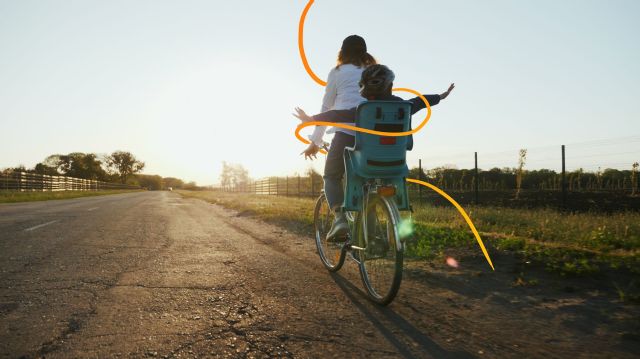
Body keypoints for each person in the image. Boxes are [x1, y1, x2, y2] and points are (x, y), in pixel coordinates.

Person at [294, 64, 454, 240]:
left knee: (332, 176)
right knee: (374, 190)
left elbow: (337, 115)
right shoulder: (404, 107)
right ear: (390, 85)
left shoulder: (363, 110)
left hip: (365, 165)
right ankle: (385, 231)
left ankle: (341, 219)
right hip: (396, 164)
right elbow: (422, 100)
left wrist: (312, 119)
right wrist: (441, 96)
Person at [302, 35, 377, 160]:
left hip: (345, 133)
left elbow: (326, 107)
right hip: (373, 134)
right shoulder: (375, 72)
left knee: (331, 175)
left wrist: (315, 141)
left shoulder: (337, 72)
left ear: (342, 53)